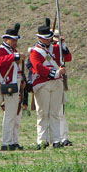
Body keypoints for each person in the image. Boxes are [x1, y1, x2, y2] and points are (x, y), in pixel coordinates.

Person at [29, 18, 72, 149]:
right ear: (40, 38)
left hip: (56, 84)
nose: (49, 40)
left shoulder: (56, 49)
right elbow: (38, 67)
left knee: (54, 113)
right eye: (46, 38)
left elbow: (68, 58)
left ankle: (56, 140)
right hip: (42, 84)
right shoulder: (35, 52)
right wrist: (56, 73)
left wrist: (63, 44)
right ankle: (42, 140)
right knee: (42, 113)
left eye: (50, 38)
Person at [0, 23, 25, 151]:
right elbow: (1, 62)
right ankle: (6, 142)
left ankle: (13, 140)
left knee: (14, 114)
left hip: (16, 84)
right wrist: (16, 56)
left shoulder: (13, 51)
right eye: (13, 40)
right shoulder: (1, 50)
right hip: (9, 84)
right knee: (9, 114)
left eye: (16, 40)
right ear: (6, 40)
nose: (15, 42)